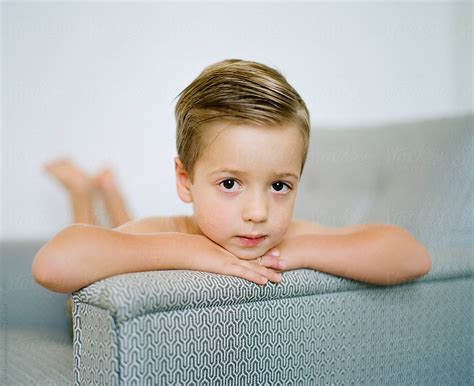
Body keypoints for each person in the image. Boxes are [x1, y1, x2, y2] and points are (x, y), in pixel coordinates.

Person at [32, 59, 432, 303]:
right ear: (185, 180)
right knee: (117, 231)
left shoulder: (284, 240)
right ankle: (82, 193)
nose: (258, 213)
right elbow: (54, 265)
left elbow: (413, 256)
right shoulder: (166, 232)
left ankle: (106, 190)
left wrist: (299, 253)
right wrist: (194, 252)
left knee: (122, 230)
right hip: (81, 313)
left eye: (279, 186)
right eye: (229, 184)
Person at [43, 158, 133, 336]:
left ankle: (85, 192)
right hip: (106, 305)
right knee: (134, 250)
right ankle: (103, 192)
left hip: (94, 309)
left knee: (90, 270)